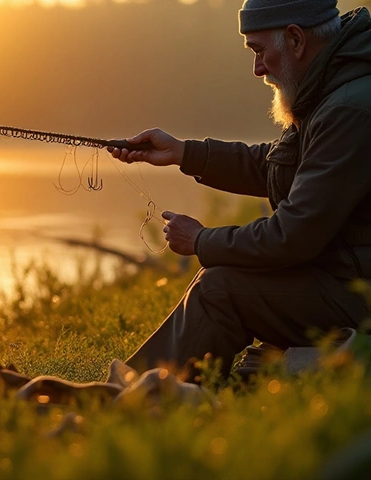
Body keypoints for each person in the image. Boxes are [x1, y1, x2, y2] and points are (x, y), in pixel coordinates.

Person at [109, 0, 371, 381]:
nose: (257, 68)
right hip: (348, 280)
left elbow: (291, 237)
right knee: (226, 293)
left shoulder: (349, 109)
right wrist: (184, 153)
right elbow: (278, 165)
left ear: (296, 39)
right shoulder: (334, 85)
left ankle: (132, 401)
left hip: (360, 292)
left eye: (260, 51)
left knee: (220, 289)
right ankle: (141, 394)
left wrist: (201, 240)